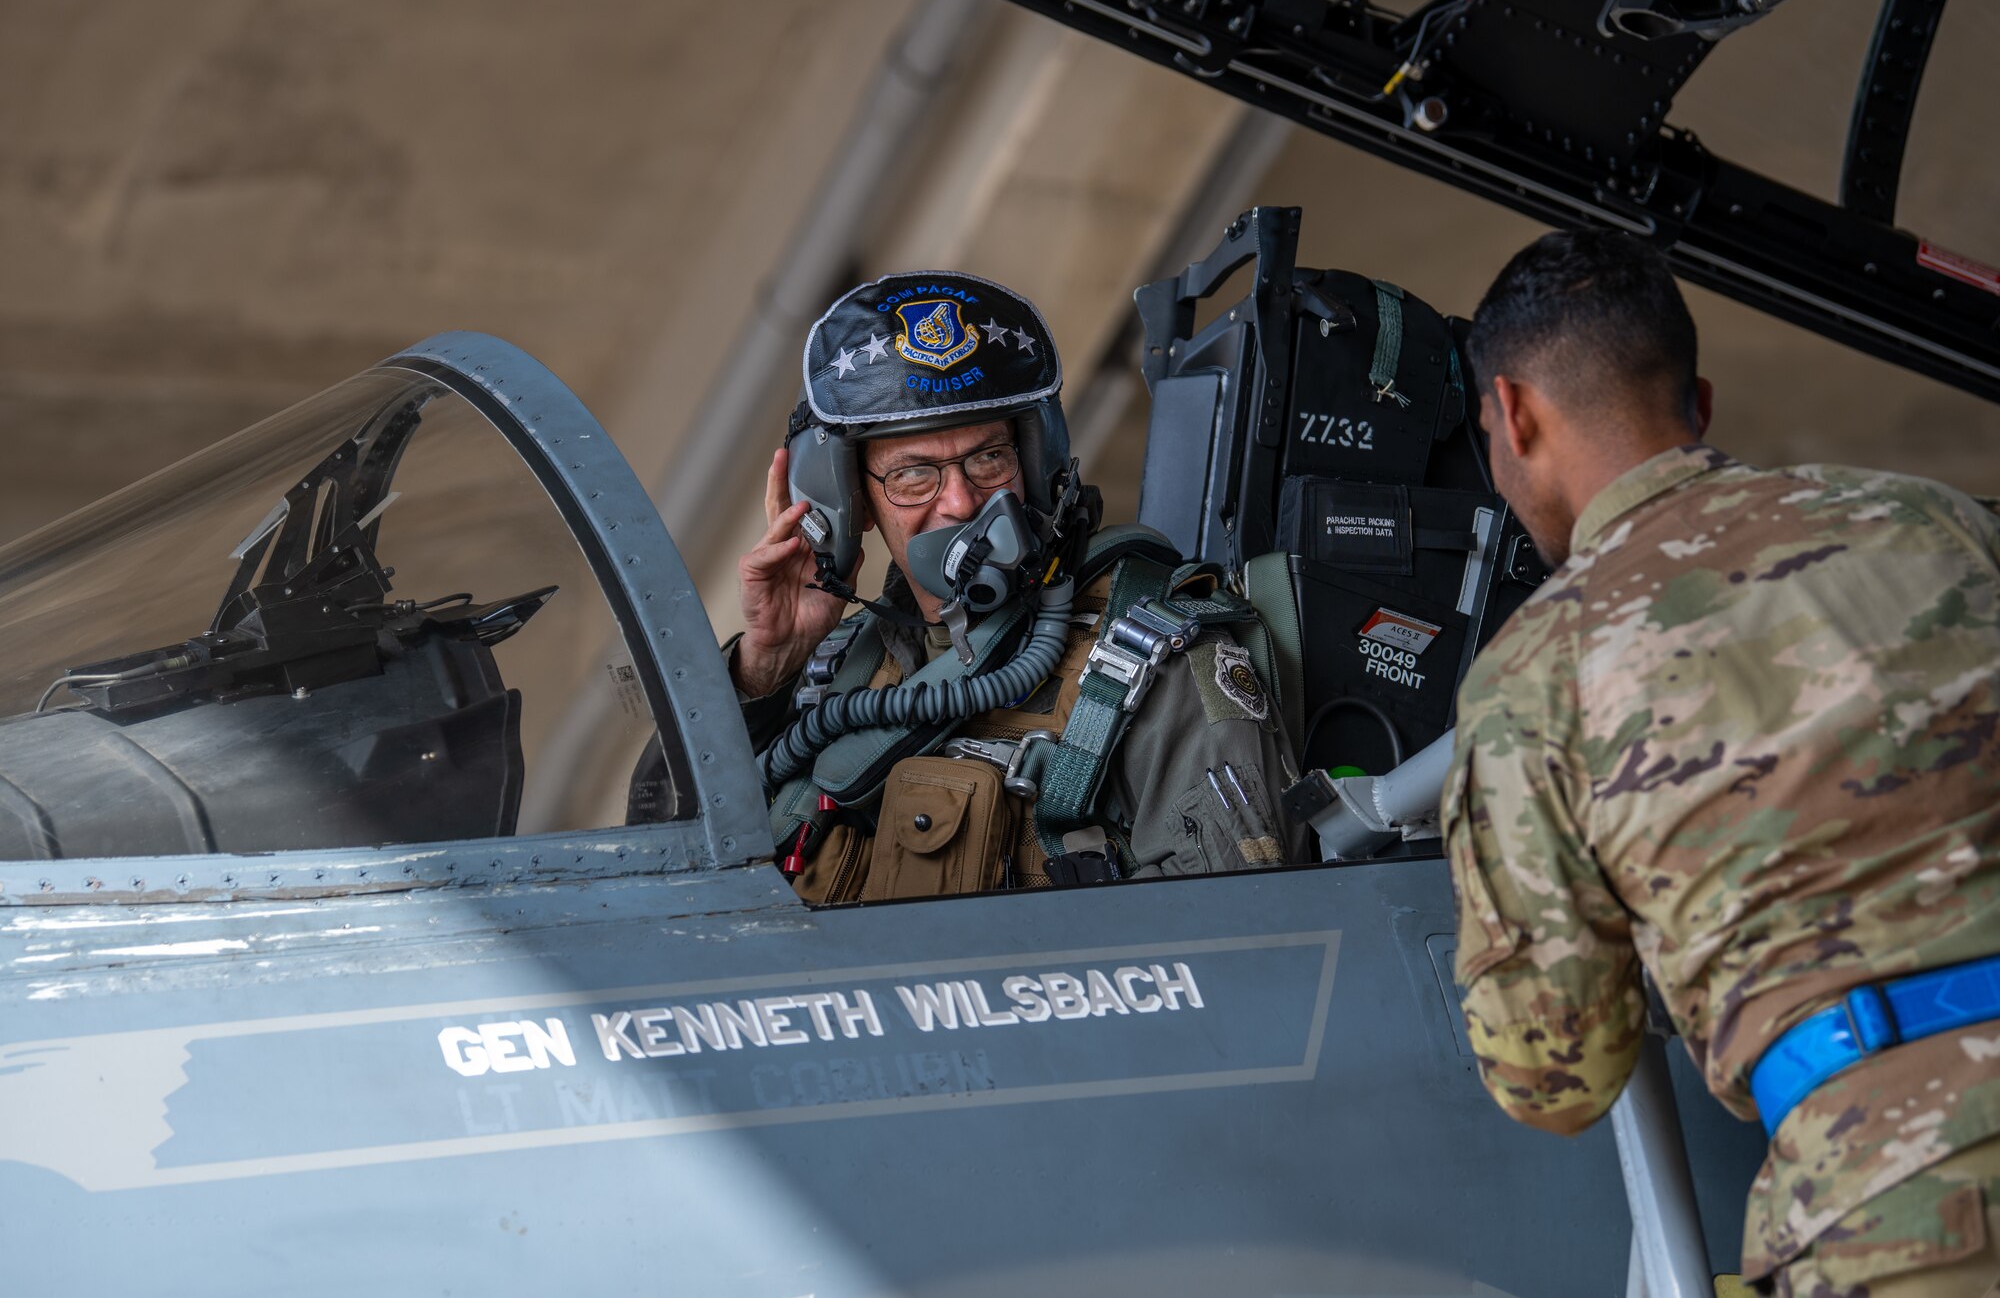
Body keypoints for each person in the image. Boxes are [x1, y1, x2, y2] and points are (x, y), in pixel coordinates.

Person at [1442, 229, 2000, 1295]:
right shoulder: (1934, 521)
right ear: (1694, 399)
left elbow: (1551, 1071)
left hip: (1904, 1199)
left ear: (1510, 415)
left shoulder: (1533, 676)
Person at [731, 271, 1306, 902]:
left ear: (1034, 464)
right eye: (915, 474)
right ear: (849, 504)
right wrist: (768, 665)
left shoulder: (1157, 664)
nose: (960, 500)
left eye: (988, 458)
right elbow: (662, 871)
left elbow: (1241, 937)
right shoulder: (838, 667)